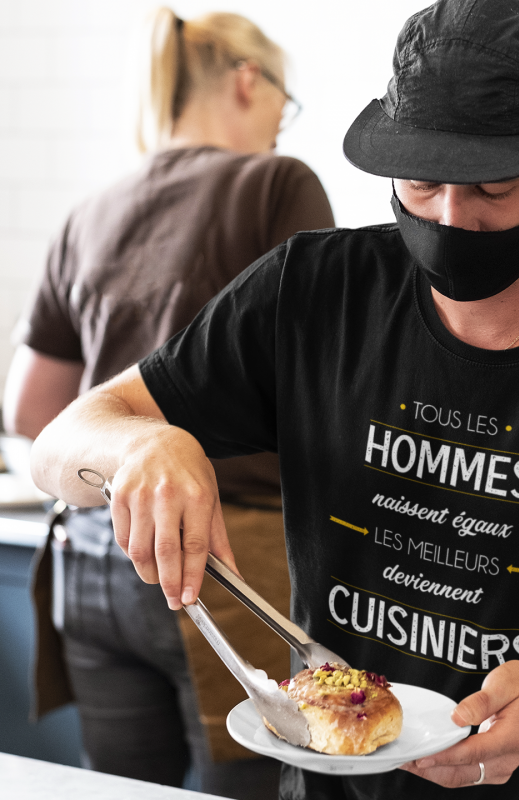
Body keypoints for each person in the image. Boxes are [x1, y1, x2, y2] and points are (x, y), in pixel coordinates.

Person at [26, 1, 519, 798]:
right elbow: (60, 441)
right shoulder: (312, 294)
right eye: (423, 180)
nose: (451, 218)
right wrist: (145, 444)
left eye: (493, 188)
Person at [3, 7, 333, 799]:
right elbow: (327, 391)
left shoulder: (93, 210)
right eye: (282, 112)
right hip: (227, 560)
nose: (281, 135)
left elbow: (30, 409)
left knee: (122, 792)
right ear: (248, 82)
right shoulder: (276, 184)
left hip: (91, 556)